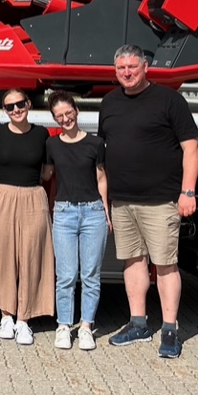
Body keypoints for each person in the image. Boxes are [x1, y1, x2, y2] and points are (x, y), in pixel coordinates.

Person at [97, 45, 198, 359]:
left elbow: (192, 147)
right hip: (124, 200)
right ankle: (138, 323)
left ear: (145, 67)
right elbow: (106, 151)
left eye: (132, 67)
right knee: (133, 261)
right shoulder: (109, 102)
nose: (126, 73)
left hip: (160, 201)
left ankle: (170, 329)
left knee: (166, 264)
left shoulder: (169, 100)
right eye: (120, 69)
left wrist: (188, 192)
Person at [0, 88, 55, 346]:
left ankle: (24, 319)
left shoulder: (41, 134)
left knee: (31, 257)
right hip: (2, 195)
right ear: (5, 110)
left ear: (28, 104)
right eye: (10, 106)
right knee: (2, 257)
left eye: (20, 104)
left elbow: (47, 173)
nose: (16, 110)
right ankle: (6, 316)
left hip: (34, 196)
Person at [45, 90, 110, 352]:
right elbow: (47, 175)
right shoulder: (52, 145)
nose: (65, 119)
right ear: (55, 118)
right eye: (59, 116)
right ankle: (63, 326)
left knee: (91, 275)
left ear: (77, 111)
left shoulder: (95, 144)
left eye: (68, 113)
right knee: (66, 275)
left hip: (93, 211)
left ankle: (85, 327)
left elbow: (102, 178)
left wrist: (106, 212)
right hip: (64, 213)